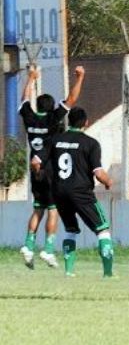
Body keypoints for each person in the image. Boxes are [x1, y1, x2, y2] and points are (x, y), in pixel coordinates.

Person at [32, 107, 114, 277]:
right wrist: (108, 182)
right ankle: (108, 273)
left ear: (69, 122)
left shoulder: (54, 140)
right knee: (103, 230)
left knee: (71, 230)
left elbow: (35, 161)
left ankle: (69, 272)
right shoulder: (91, 143)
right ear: (86, 123)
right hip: (81, 193)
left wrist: (39, 174)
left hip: (59, 193)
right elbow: (99, 174)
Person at [18, 65, 85, 269]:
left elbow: (24, 99)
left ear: (37, 106)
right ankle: (48, 249)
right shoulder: (53, 119)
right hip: (50, 170)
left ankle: (28, 245)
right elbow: (72, 99)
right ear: (52, 107)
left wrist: (31, 78)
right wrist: (80, 78)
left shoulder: (28, 116)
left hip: (35, 169)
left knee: (38, 209)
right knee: (53, 210)